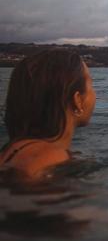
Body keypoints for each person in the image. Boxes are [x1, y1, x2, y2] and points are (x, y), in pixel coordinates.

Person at [0, 49, 97, 177]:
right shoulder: (50, 159)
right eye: (91, 84)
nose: (95, 94)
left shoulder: (9, 152)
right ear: (77, 100)